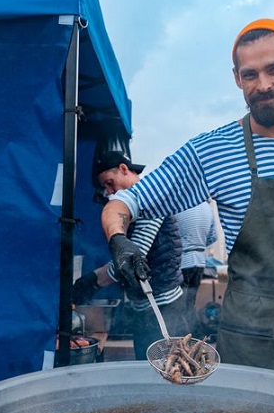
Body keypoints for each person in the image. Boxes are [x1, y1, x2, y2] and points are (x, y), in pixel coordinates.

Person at [99, 19, 274, 395]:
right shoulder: (214, 151)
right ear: (237, 78)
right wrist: (119, 238)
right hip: (247, 338)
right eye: (250, 74)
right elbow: (124, 202)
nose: (262, 85)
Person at [71, 151, 200, 360]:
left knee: (168, 370)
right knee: (146, 368)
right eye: (106, 187)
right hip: (144, 308)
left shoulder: (151, 201)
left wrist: (92, 281)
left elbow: (130, 260)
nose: (110, 192)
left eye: (111, 183)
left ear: (124, 169)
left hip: (163, 309)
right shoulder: (132, 206)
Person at [175, 201, 218, 332]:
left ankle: (186, 340)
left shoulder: (179, 205)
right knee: (190, 303)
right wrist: (198, 243)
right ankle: (195, 339)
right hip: (199, 261)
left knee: (179, 305)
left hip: (182, 261)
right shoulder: (207, 208)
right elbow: (213, 237)